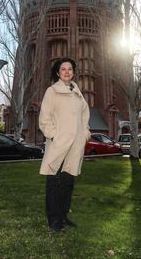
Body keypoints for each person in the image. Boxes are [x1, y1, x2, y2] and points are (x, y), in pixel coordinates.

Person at [38, 57, 91, 232]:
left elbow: (84, 115)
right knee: (54, 182)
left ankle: (63, 216)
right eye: (63, 69)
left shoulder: (77, 92)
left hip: (75, 145)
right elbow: (44, 119)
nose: (67, 72)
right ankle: (53, 219)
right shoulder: (52, 91)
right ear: (57, 72)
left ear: (74, 72)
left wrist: (85, 133)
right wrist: (54, 136)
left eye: (70, 69)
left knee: (68, 182)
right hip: (59, 144)